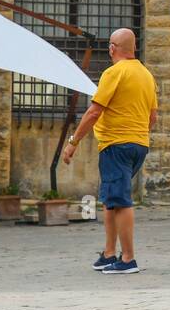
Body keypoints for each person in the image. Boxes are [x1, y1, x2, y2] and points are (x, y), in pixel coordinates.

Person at [62, 27, 157, 275]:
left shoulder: (114, 72)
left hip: (116, 144)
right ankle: (108, 254)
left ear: (113, 48)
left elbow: (94, 111)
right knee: (110, 200)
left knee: (121, 200)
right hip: (138, 144)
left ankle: (128, 259)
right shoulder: (146, 75)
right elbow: (152, 117)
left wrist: (73, 141)